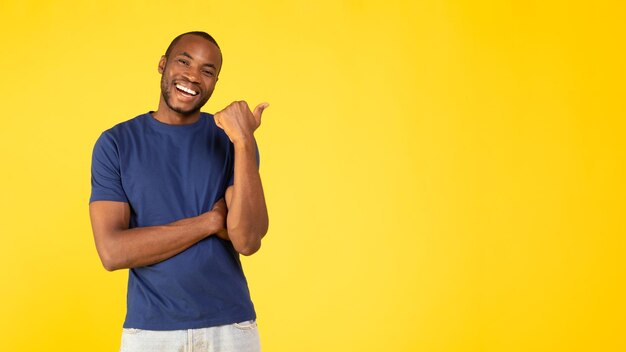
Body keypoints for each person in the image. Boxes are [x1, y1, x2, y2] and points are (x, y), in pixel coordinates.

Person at [89, 31, 268, 352]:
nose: (193, 76)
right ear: (162, 65)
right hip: (151, 332)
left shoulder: (232, 140)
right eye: (184, 62)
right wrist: (211, 222)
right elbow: (113, 252)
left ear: (215, 83)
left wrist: (243, 141)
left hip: (230, 327)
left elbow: (247, 239)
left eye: (207, 70)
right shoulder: (116, 143)